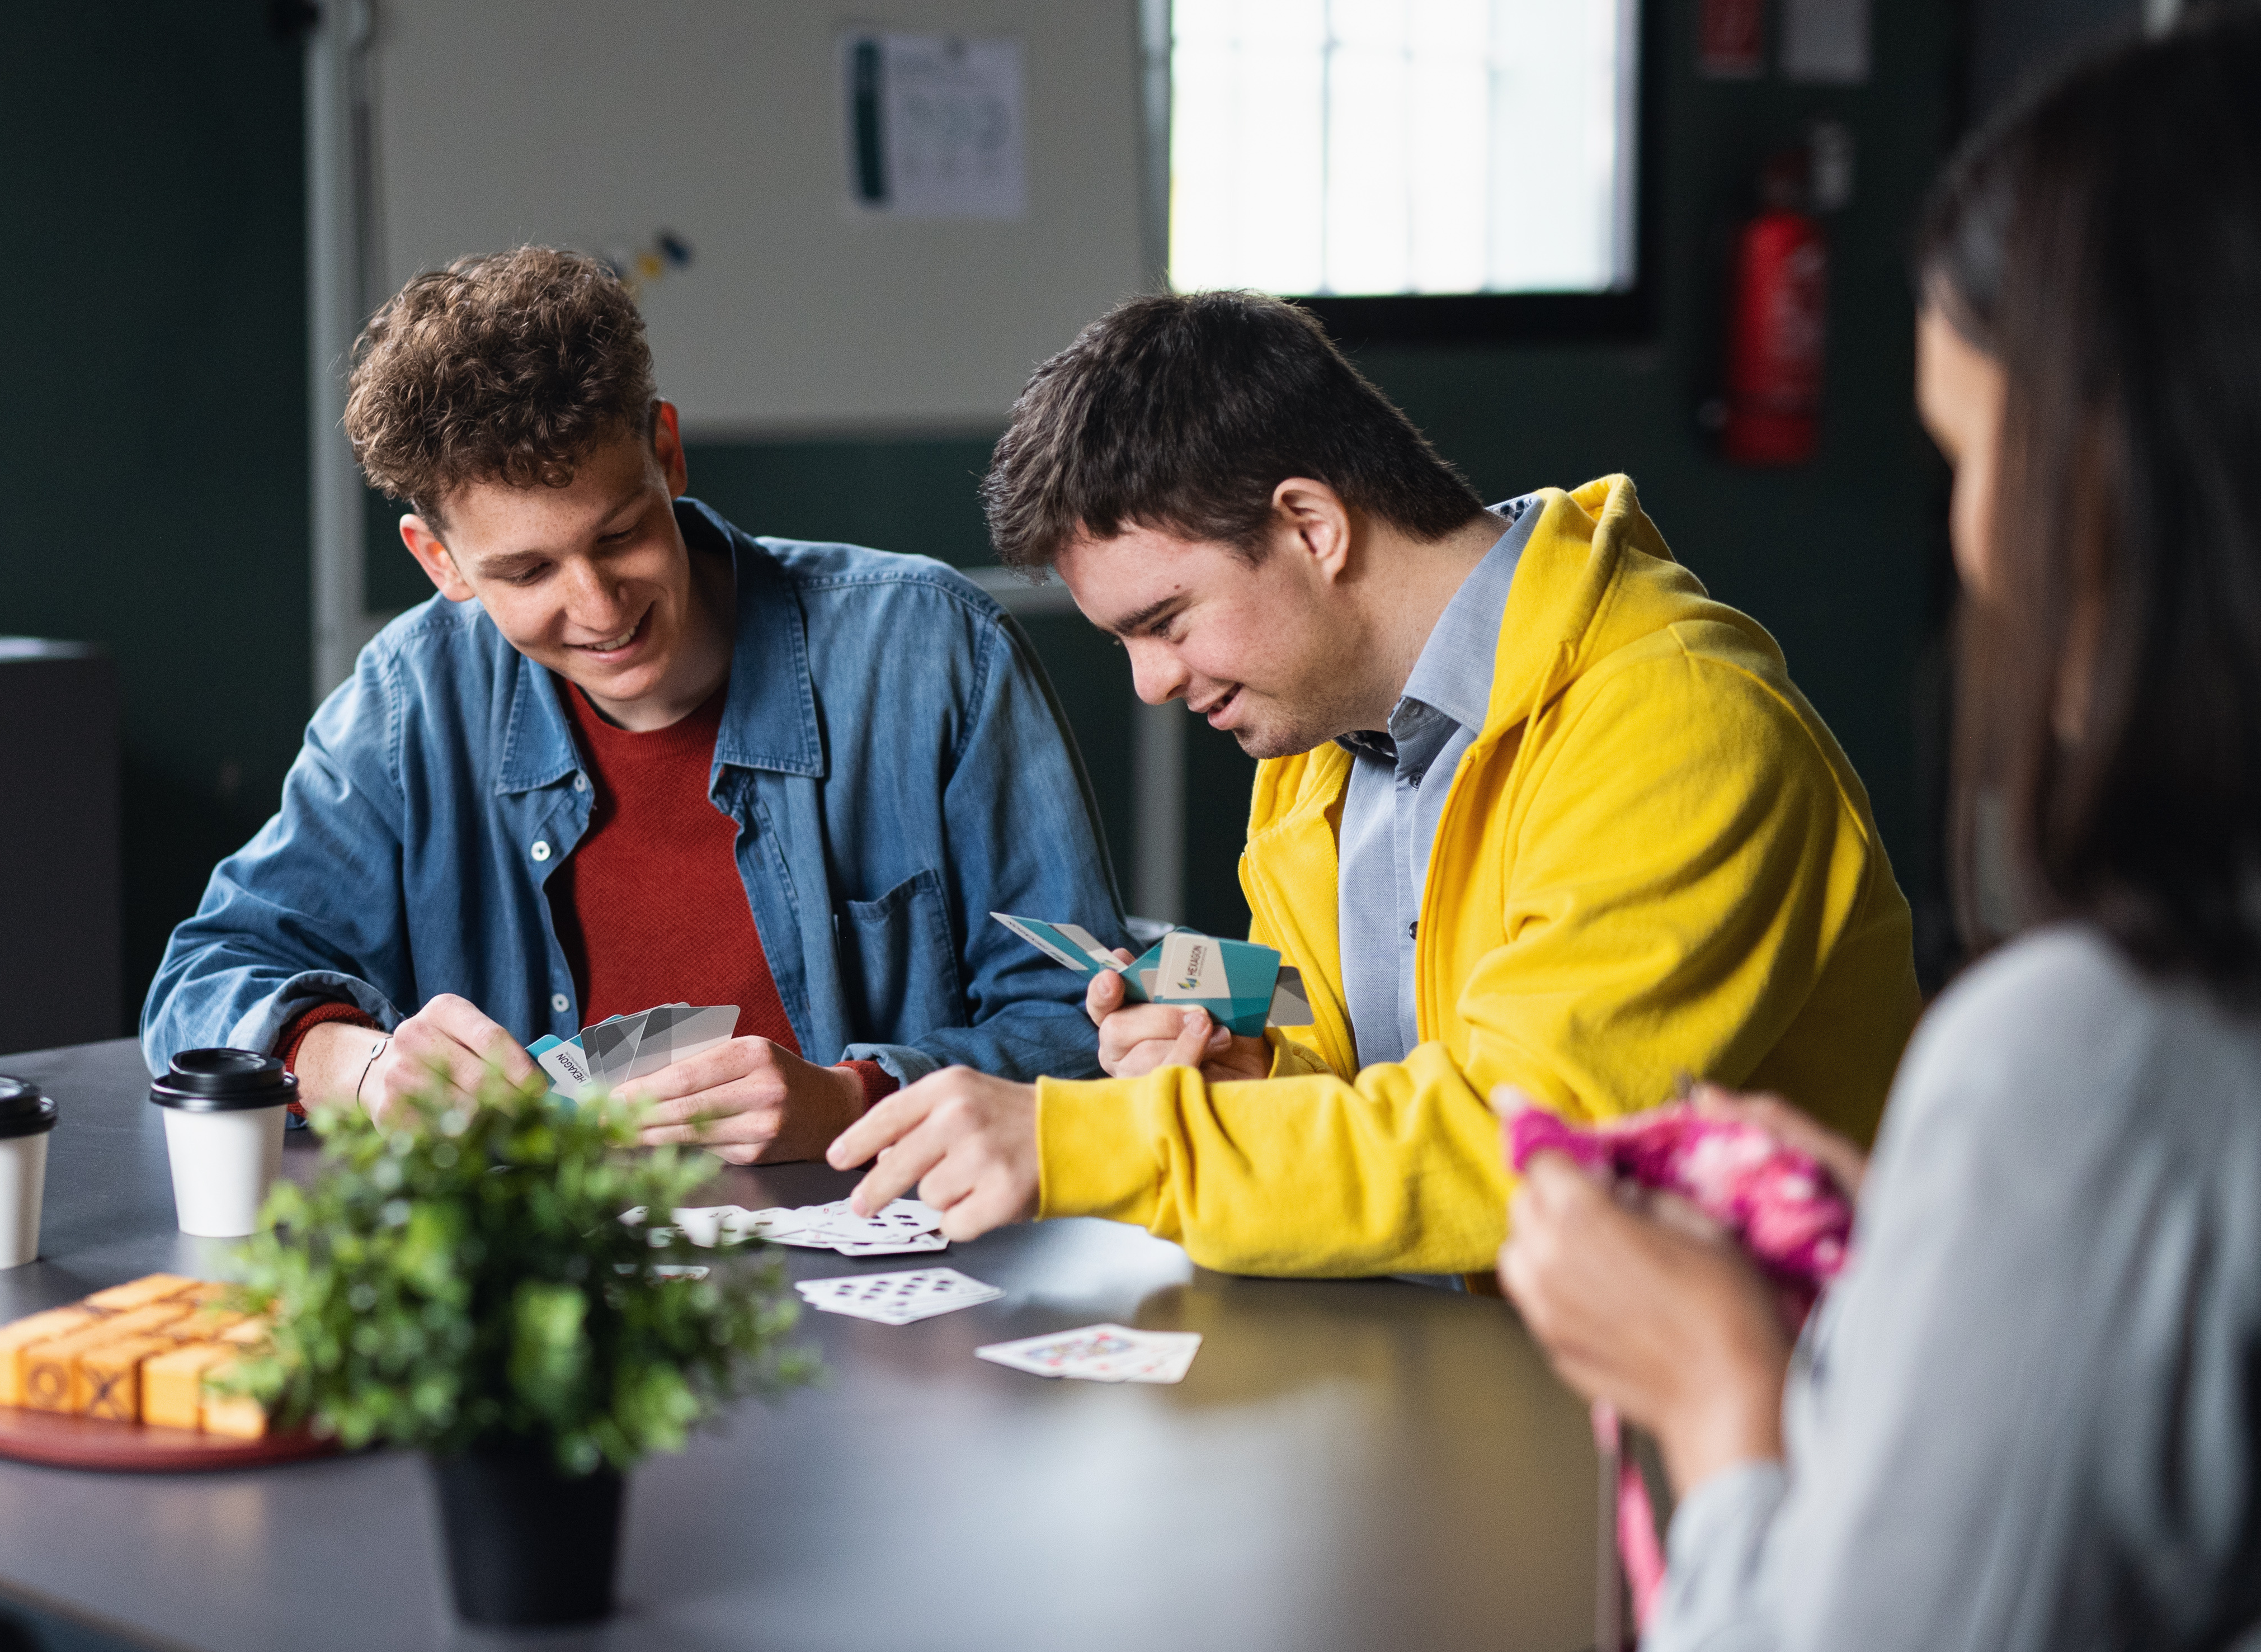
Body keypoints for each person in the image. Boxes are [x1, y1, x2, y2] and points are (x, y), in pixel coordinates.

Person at [1497, 12, 2261, 1646]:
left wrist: (1720, 1394)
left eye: (1974, 456)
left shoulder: (2097, 1052)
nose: (1978, 544)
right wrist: (1937, 1256)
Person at [830, 290, 1920, 1271]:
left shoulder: (1679, 721)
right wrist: (1245, 1076)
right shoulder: (1311, 744)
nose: (1152, 684)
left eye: (1163, 623)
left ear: (1311, 526)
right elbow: (1365, 1088)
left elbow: (1524, 1149)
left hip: (1753, 1410)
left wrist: (1087, 1139)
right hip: (1473, 1362)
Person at [143, 247, 1124, 1163]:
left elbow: (1084, 1018)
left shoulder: (930, 652)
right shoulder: (411, 701)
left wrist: (857, 1095)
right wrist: (357, 1066)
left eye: (619, 536)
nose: (600, 607)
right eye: (526, 571)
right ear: (438, 561)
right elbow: (202, 982)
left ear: (668, 452)